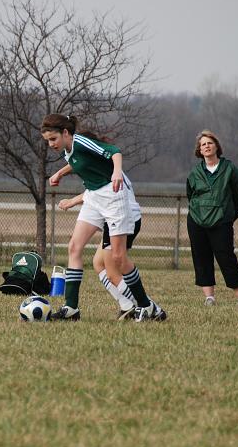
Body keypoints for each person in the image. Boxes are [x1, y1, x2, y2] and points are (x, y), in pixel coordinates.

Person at [42, 114, 166, 322]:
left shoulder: (80, 142)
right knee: (74, 247)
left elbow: (114, 152)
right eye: (47, 140)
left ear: (65, 133)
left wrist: (117, 172)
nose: (50, 144)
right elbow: (78, 162)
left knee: (117, 259)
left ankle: (147, 306)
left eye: (53, 139)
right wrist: (60, 174)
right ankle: (71, 308)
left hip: (113, 197)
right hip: (94, 197)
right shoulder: (68, 150)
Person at [57, 175, 142, 320]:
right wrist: (60, 173)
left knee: (113, 273)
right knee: (98, 263)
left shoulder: (103, 164)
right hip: (113, 214)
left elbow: (97, 191)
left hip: (122, 216)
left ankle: (147, 307)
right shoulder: (97, 161)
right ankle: (127, 306)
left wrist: (72, 201)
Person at [186, 130, 238, 307]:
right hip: (197, 221)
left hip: (221, 221)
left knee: (226, 257)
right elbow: (191, 195)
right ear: (199, 150)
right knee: (201, 257)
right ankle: (209, 298)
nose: (206, 146)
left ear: (216, 146)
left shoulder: (230, 169)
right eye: (203, 144)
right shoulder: (195, 173)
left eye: (210, 143)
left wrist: (227, 214)